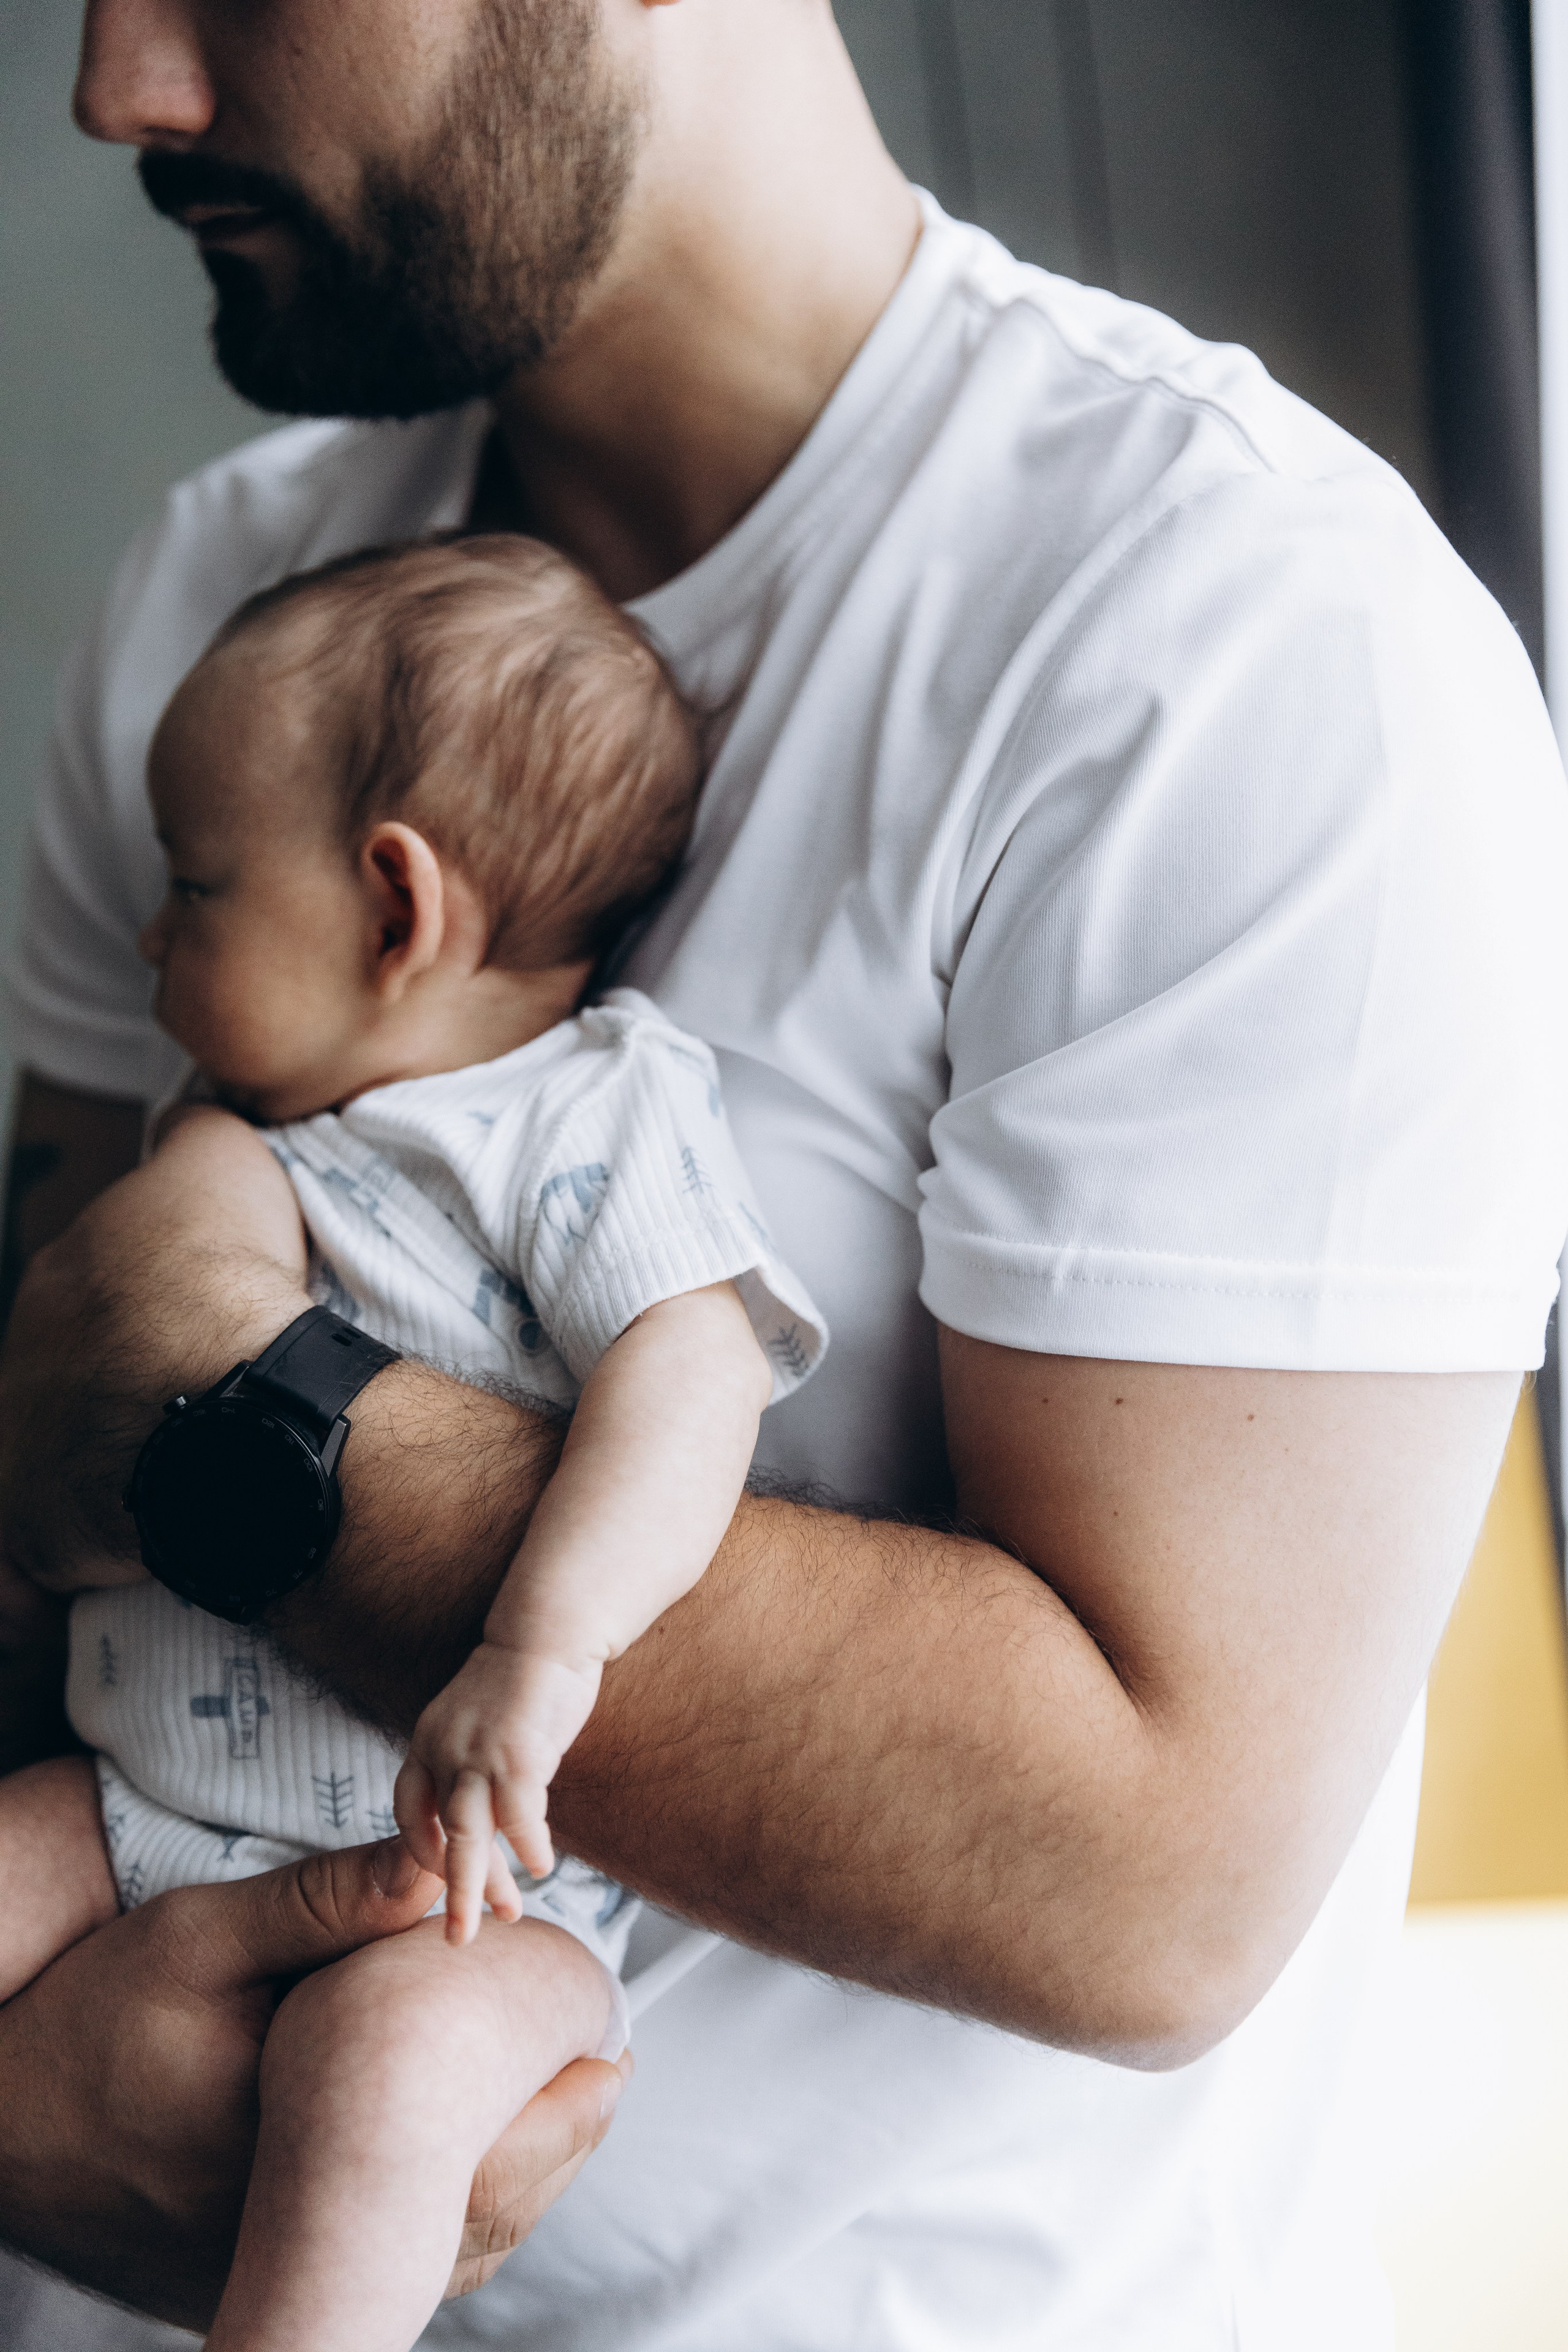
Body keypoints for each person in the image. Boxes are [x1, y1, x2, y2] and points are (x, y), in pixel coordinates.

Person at [2, 0, 1566, 2345]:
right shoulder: (226, 620)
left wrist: (234, 1401)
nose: (123, 83)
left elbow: (1146, 1877)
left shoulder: (1238, 644)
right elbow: (28, 1492)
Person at [1, 528, 824, 2352]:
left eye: (196, 887)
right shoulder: (254, 1125)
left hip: (456, 1895)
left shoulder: (580, 1117)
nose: (151, 933)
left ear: (395, 908)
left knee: (383, 2086)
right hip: (130, 1810)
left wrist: (544, 1647)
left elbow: (688, 1372)